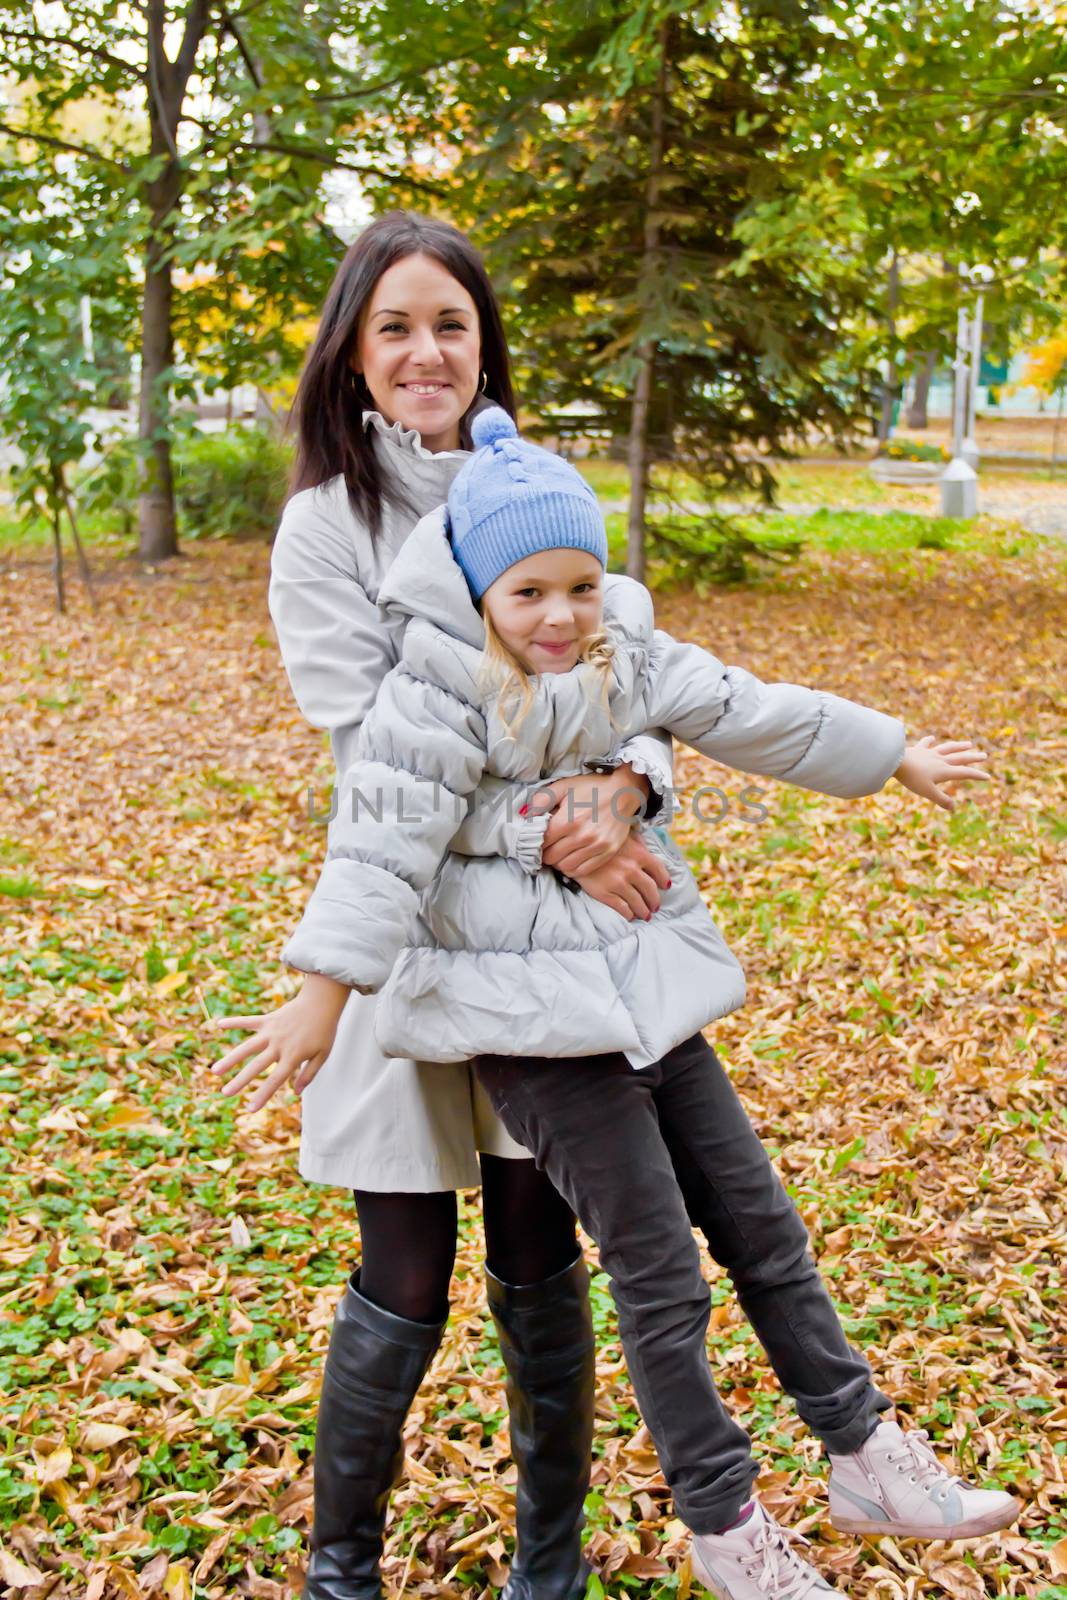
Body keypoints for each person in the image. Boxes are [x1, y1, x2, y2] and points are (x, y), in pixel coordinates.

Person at [215, 408, 1020, 1600]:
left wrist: (889, 750)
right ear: (482, 590)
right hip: (532, 1036)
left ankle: (862, 1452)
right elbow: (378, 847)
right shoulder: (431, 691)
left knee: (761, 1225)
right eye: (529, 590)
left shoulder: (618, 661)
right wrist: (319, 995)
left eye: (582, 586)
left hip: (645, 990)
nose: (558, 616)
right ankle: (723, 1521)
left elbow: (755, 707)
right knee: (655, 1264)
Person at [211, 212, 676, 1600]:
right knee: (403, 1266)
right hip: (405, 938)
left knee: (541, 1248)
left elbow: (640, 685)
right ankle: (339, 1570)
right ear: (353, 353)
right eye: (395, 326)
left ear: (484, 345)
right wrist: (564, 828)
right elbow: (377, 753)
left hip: (540, 958)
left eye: (451, 324)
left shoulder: (539, 487)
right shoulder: (325, 526)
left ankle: (550, 1571)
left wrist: (631, 797)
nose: (426, 352)